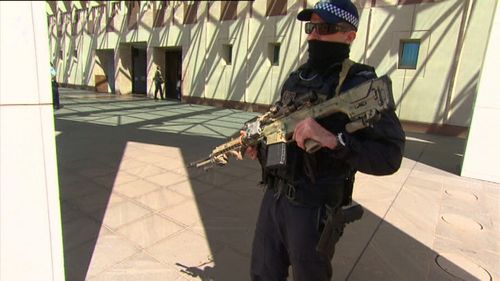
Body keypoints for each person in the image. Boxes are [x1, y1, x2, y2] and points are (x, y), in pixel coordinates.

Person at [244, 0, 406, 280]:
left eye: (325, 28)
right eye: (311, 27)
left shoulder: (360, 84)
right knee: (262, 273)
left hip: (313, 208)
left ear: (349, 36)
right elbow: (282, 138)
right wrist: (259, 148)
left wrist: (333, 140)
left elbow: (390, 156)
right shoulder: (297, 79)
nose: (314, 35)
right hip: (275, 198)